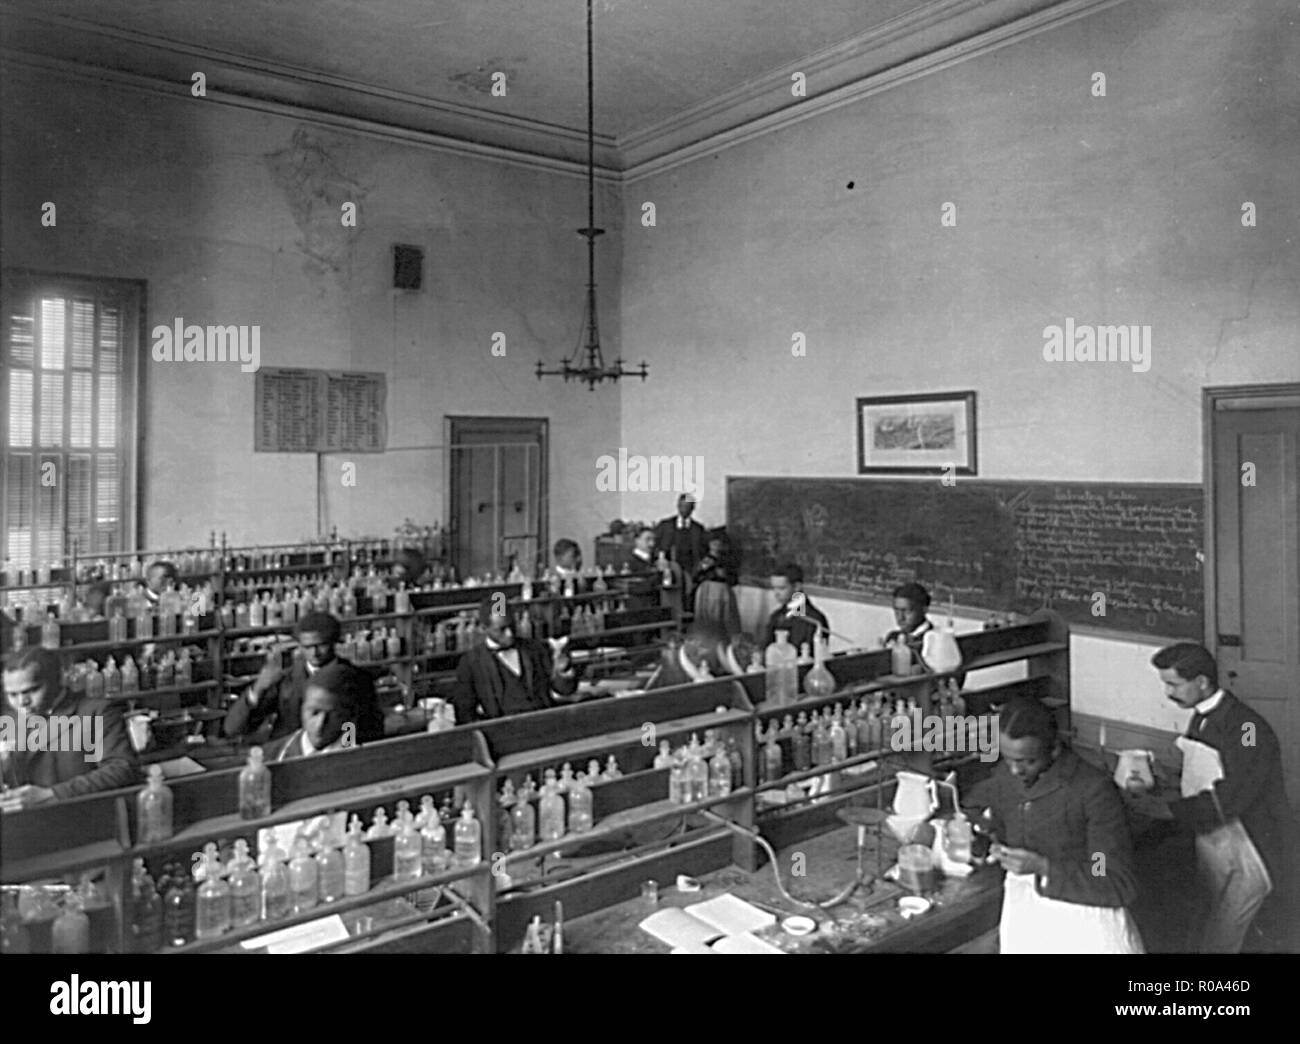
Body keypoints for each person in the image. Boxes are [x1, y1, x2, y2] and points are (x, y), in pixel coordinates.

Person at [966, 695, 1143, 953]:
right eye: (1008, 758)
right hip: (1026, 915)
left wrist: (1044, 867)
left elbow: (1107, 876)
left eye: (1028, 761)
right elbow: (979, 809)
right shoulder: (1005, 777)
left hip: (1084, 922)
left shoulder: (1092, 791)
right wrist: (983, 836)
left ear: (1054, 749)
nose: (1015, 770)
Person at [1146, 643, 1289, 953]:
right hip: (1212, 839)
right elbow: (1201, 774)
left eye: (1174, 684)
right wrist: (1163, 779)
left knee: (1223, 936)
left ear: (1201, 682)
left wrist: (1167, 810)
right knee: (1204, 918)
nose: (1168, 693)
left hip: (1248, 845)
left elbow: (1235, 794)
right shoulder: (1200, 718)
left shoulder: (1248, 727)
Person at [0, 647, 139, 810]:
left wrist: (52, 795)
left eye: (31, 690)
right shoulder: (9, 720)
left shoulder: (97, 711)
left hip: (82, 815)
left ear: (56, 680)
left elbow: (121, 769)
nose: (22, 702)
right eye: (12, 695)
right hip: (27, 819)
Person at [222, 611, 383, 745]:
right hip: (290, 757)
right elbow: (233, 729)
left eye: (321, 645)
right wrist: (258, 688)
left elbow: (370, 728)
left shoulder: (357, 679)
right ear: (299, 646)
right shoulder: (285, 680)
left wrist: (345, 746)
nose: (314, 653)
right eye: (307, 647)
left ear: (334, 642)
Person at [452, 596, 579, 722]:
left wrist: (563, 672)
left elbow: (565, 690)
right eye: (502, 629)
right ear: (484, 628)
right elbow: (464, 712)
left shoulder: (535, 648)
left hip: (544, 723)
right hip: (503, 731)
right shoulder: (471, 662)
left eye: (512, 626)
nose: (510, 634)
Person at [263, 662, 367, 762]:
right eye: (314, 713)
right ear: (302, 709)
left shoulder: (365, 755)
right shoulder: (269, 757)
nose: (319, 725)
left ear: (349, 716)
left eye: (333, 716)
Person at [758, 563, 829, 652]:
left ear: (797, 586)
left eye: (781, 588)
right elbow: (765, 648)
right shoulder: (776, 616)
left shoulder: (814, 620)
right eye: (774, 588)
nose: (776, 593)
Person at [653, 494, 708, 591]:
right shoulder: (665, 526)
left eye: (687, 507)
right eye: (682, 506)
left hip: (691, 572)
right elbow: (656, 546)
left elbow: (702, 551)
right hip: (669, 571)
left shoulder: (698, 529)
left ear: (693, 508)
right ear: (677, 506)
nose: (684, 510)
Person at [692, 531, 740, 637]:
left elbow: (735, 580)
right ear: (709, 544)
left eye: (719, 544)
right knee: (706, 620)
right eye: (714, 543)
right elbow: (694, 577)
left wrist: (725, 575)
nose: (716, 546)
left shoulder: (728, 560)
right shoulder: (704, 559)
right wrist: (702, 568)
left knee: (725, 621)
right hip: (706, 591)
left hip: (723, 592)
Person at [882, 581, 934, 667]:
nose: (900, 618)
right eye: (896, 611)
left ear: (924, 609)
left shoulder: (935, 640)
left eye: (907, 611)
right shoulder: (893, 637)